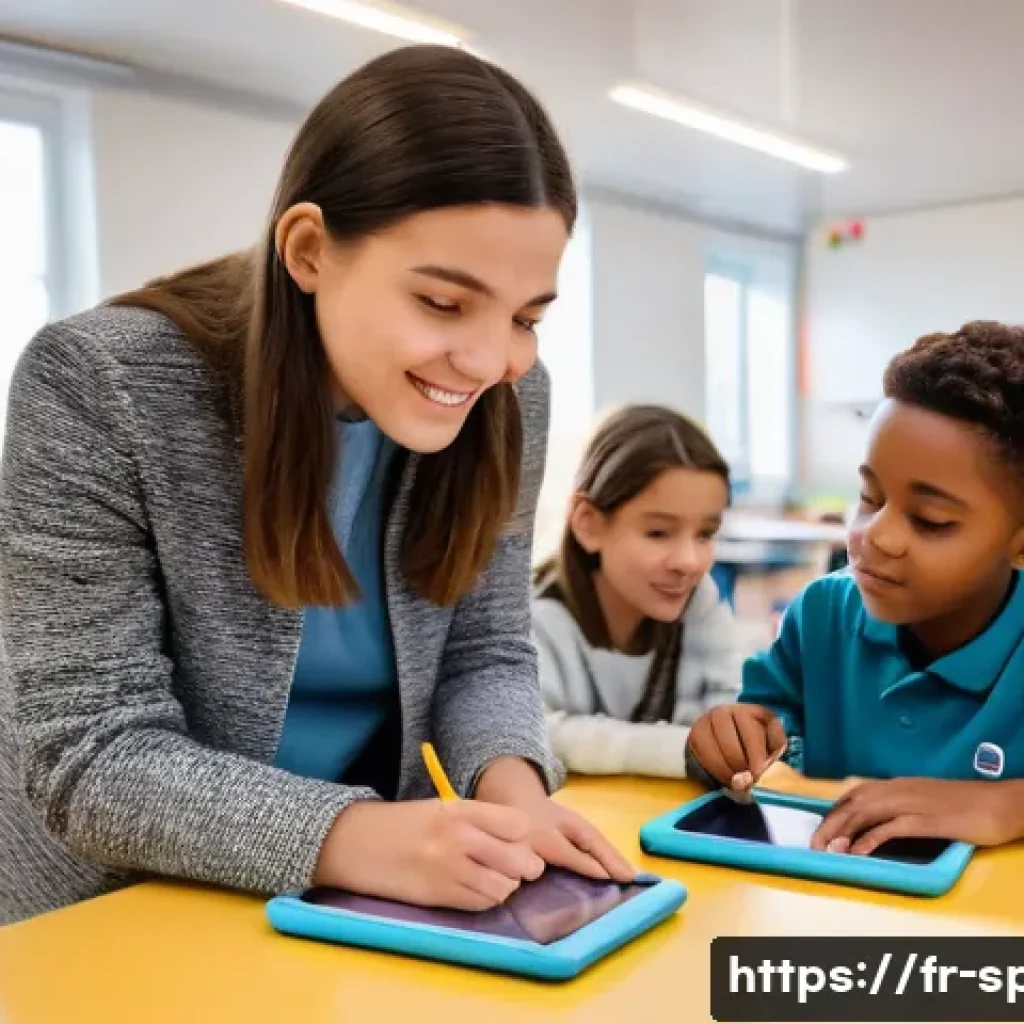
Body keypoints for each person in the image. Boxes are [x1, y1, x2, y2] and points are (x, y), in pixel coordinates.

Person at [0, 44, 634, 927]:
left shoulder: (510, 396)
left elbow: (484, 650)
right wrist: (368, 838)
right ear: (307, 250)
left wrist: (515, 793)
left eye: (527, 316)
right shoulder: (98, 383)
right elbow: (92, 753)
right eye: (444, 304)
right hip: (119, 910)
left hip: (367, 900)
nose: (493, 359)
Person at [686, 321, 1024, 856]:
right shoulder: (822, 615)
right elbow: (768, 726)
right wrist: (732, 739)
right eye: (869, 497)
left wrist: (1007, 805)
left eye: (931, 520)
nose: (877, 535)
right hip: (831, 914)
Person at [533, 405, 742, 778]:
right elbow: (535, 734)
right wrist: (685, 748)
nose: (689, 561)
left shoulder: (699, 601)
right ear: (589, 523)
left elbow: (728, 706)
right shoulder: (534, 619)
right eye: (658, 533)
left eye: (705, 534)